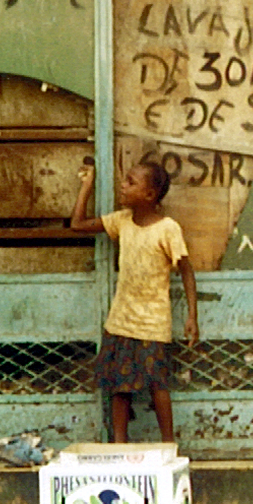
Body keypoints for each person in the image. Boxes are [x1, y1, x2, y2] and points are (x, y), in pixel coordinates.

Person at [70, 159, 199, 443]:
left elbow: (187, 272)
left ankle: (168, 445)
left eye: (131, 182)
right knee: (120, 387)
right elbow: (77, 224)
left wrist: (192, 316)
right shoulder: (121, 221)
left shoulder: (167, 228)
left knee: (158, 385)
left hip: (153, 322)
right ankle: (119, 445)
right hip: (121, 321)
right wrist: (86, 187)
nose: (123, 186)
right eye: (124, 180)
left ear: (150, 195)